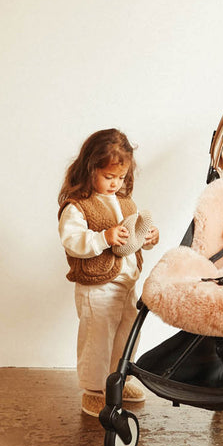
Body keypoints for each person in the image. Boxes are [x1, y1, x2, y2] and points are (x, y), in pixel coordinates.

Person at [58, 128, 159, 417]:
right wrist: (104, 237)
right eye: (109, 176)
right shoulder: (78, 207)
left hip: (126, 284)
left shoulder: (126, 203)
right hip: (97, 287)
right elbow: (73, 241)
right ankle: (93, 389)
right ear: (90, 170)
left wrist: (149, 238)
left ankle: (118, 380)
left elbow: (132, 238)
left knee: (127, 333)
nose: (116, 183)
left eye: (121, 177)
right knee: (98, 337)